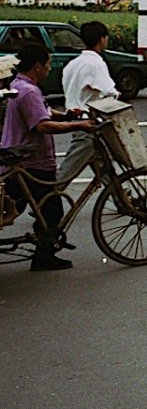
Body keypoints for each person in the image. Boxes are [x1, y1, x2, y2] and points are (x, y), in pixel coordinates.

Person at [1, 43, 95, 270]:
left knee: (30, 206)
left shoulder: (20, 84)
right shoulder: (30, 91)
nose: (49, 69)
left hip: (19, 159)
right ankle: (43, 257)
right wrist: (78, 124)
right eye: (47, 65)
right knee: (52, 211)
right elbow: (42, 125)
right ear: (36, 66)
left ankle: (43, 251)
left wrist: (65, 116)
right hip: (31, 163)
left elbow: (41, 111)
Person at [57, 21, 121, 183]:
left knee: (105, 169)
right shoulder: (96, 64)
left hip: (75, 119)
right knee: (63, 176)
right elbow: (109, 92)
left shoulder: (72, 64)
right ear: (101, 39)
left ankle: (121, 200)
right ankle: (45, 202)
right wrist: (116, 94)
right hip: (87, 125)